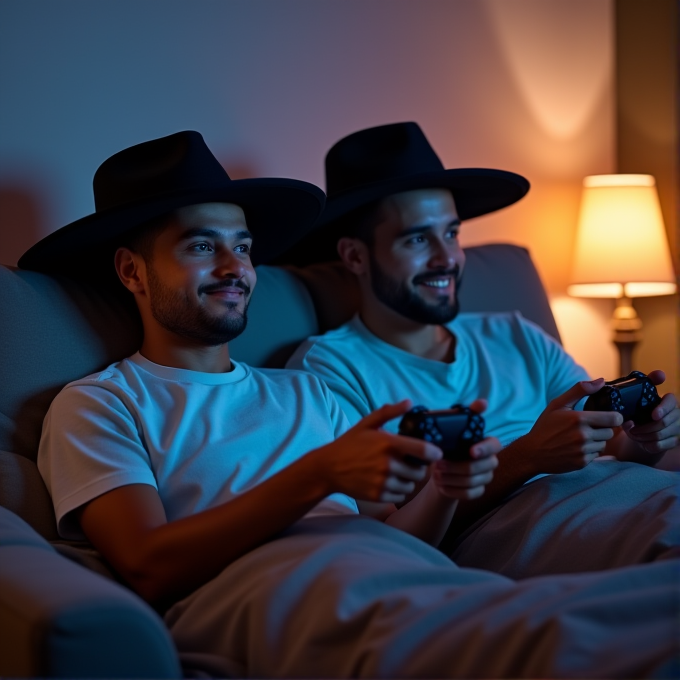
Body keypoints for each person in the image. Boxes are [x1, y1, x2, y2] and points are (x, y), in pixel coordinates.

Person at [28, 130, 678, 678]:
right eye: (202, 246)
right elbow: (146, 566)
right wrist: (318, 474)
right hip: (288, 588)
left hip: (408, 572)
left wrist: (446, 489)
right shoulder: (99, 404)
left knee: (582, 617)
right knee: (556, 640)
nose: (234, 266)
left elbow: (402, 535)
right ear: (132, 272)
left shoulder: (304, 392)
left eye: (245, 246)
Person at [286, 121, 680, 577]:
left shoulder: (516, 333)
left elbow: (615, 442)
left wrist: (646, 439)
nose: (446, 257)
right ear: (355, 256)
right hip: (543, 529)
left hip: (643, 492)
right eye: (418, 238)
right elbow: (386, 535)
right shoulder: (329, 371)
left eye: (451, 234)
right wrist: (526, 457)